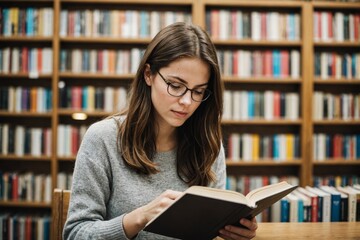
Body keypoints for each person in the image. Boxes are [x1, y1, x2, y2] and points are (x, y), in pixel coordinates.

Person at [63, 22, 258, 240]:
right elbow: (75, 234)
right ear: (149, 74)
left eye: (199, 91)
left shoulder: (208, 144)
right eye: (175, 85)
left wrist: (231, 228)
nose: (186, 101)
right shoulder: (103, 138)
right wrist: (140, 217)